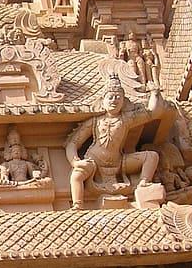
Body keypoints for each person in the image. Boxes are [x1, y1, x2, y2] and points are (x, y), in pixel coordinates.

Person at [65, 76, 165, 210]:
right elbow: (73, 143)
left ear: (124, 102)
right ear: (103, 101)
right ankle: (78, 204)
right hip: (94, 162)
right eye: (110, 97)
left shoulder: (126, 119)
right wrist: (76, 161)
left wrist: (155, 93)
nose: (114, 101)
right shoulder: (95, 121)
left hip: (119, 162)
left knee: (152, 156)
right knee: (76, 175)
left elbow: (153, 113)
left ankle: (143, 183)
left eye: (118, 97)